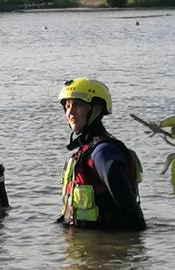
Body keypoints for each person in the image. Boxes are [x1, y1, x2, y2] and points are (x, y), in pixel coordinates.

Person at [56, 77, 146, 231]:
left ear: (96, 110)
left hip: (106, 249)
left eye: (77, 105)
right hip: (86, 248)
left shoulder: (103, 152)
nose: (70, 112)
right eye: (67, 106)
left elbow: (130, 211)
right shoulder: (87, 150)